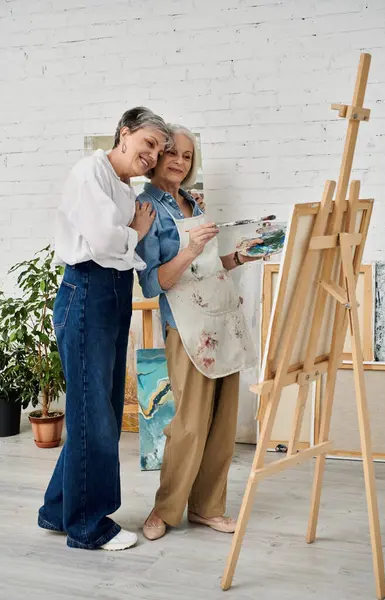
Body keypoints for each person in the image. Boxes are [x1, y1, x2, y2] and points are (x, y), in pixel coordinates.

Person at [38, 107, 171, 551]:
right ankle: (86, 526)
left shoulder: (123, 185)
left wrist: (129, 236)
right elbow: (102, 242)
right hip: (87, 290)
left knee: (102, 410)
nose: (152, 155)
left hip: (112, 292)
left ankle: (57, 510)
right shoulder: (90, 171)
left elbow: (122, 248)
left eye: (159, 150)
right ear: (124, 133)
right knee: (94, 413)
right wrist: (132, 231)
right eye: (147, 144)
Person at [136, 125, 260, 541]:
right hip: (186, 327)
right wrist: (189, 249)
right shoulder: (146, 207)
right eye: (172, 152)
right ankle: (164, 509)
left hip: (222, 319)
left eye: (188, 156)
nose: (179, 162)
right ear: (157, 155)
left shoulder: (193, 201)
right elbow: (153, 283)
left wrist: (238, 256)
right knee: (188, 426)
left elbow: (208, 267)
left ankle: (208, 508)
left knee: (222, 425)